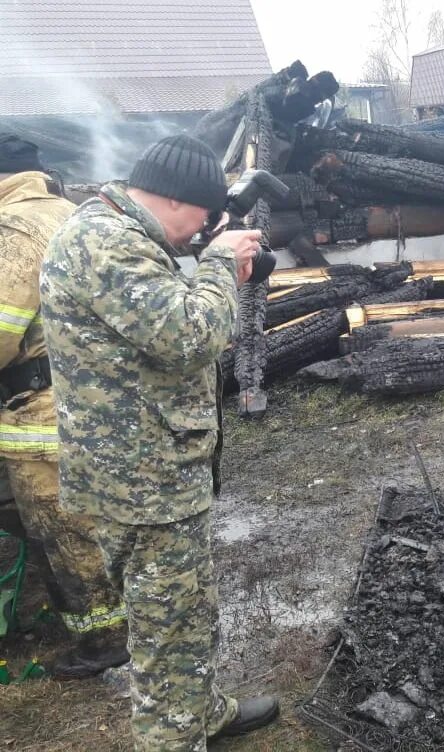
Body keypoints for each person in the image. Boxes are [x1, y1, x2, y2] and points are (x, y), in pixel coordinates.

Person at [39, 134, 278, 749]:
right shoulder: (105, 242)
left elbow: (171, 324)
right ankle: (172, 737)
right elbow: (187, 334)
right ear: (175, 200)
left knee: (187, 605)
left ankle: (200, 712)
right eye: (202, 219)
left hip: (156, 464)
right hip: (140, 478)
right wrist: (222, 262)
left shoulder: (125, 235)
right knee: (165, 625)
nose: (202, 232)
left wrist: (216, 271)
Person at [0, 133, 129, 677]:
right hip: (100, 395)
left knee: (65, 527)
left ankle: (102, 642)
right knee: (100, 521)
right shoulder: (75, 212)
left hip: (43, 411)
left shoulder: (14, 232)